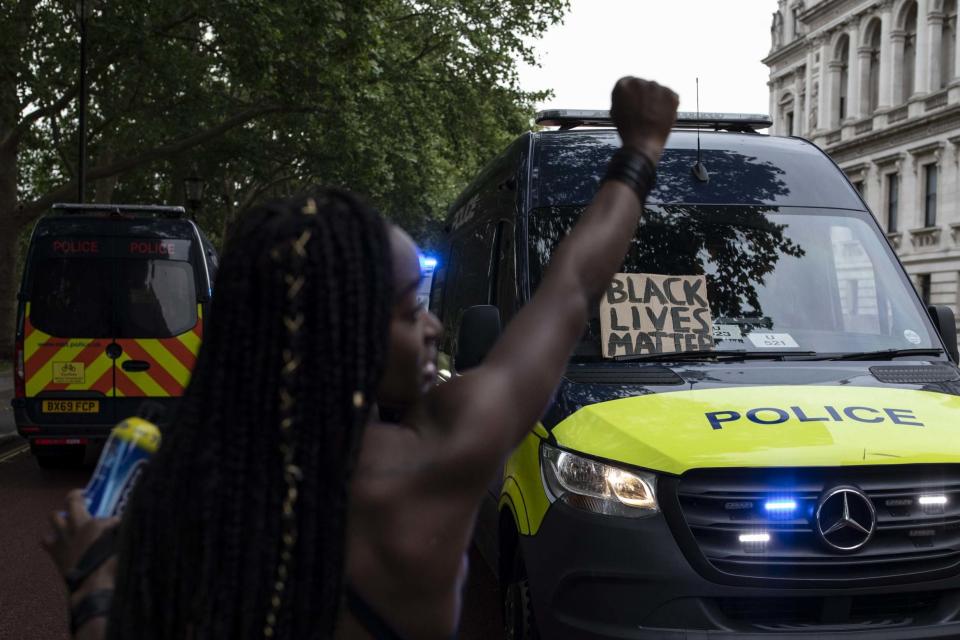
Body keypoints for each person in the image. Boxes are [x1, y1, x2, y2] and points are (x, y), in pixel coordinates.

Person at [42, 76, 678, 639]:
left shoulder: (177, 485)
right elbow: (568, 291)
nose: (432, 325)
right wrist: (641, 150)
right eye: (407, 310)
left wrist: (90, 582)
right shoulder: (431, 460)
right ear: (337, 333)